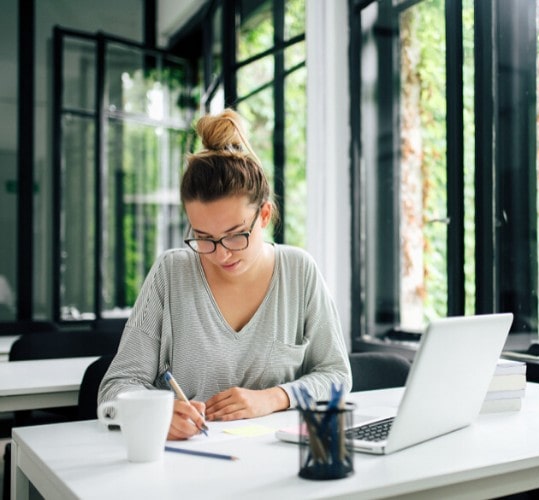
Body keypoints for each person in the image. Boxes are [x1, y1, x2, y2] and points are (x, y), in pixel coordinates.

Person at [99, 108, 351, 440]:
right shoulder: (171, 272)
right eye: (203, 237)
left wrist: (274, 398)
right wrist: (155, 413)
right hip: (190, 462)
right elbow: (115, 389)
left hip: (279, 465)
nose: (221, 253)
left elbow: (336, 376)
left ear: (263, 215)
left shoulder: (299, 271)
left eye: (235, 235)